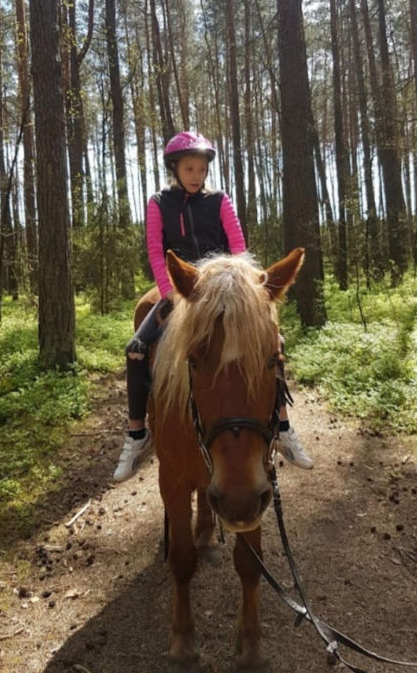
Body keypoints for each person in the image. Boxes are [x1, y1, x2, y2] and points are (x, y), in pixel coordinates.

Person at [113, 131, 314, 482]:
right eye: (189, 168)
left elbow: (238, 247)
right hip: (181, 289)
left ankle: (282, 426)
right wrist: (173, 293)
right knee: (136, 349)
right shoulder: (159, 203)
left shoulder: (220, 201)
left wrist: (240, 290)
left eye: (202, 168)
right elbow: (157, 252)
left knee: (274, 347)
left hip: (224, 291)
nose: (196, 174)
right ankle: (136, 434)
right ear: (174, 168)